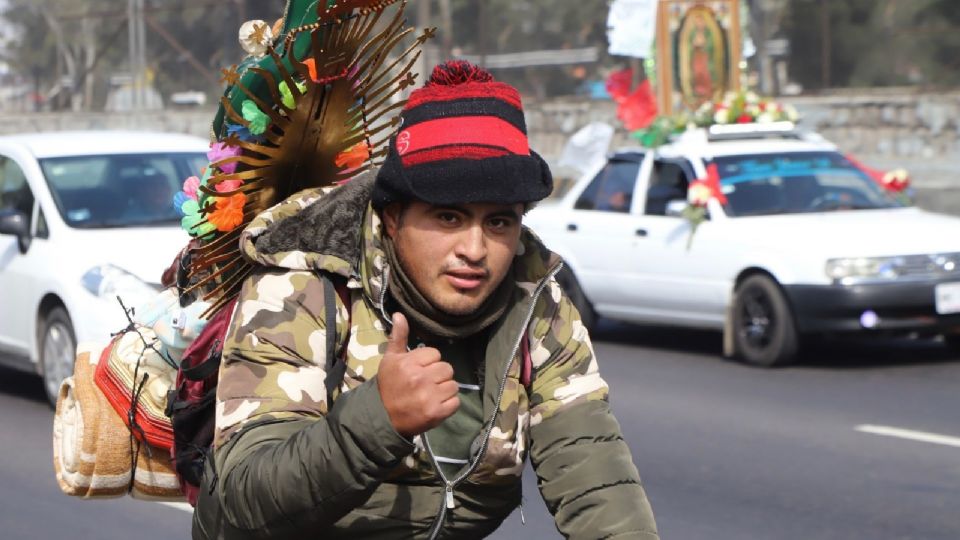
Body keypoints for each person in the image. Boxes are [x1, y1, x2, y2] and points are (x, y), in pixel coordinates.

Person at [193, 62, 659, 539]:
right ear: (393, 218)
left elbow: (598, 479)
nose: (474, 251)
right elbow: (241, 502)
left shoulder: (538, 301)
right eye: (449, 218)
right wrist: (378, 419)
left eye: (498, 222)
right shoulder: (304, 285)